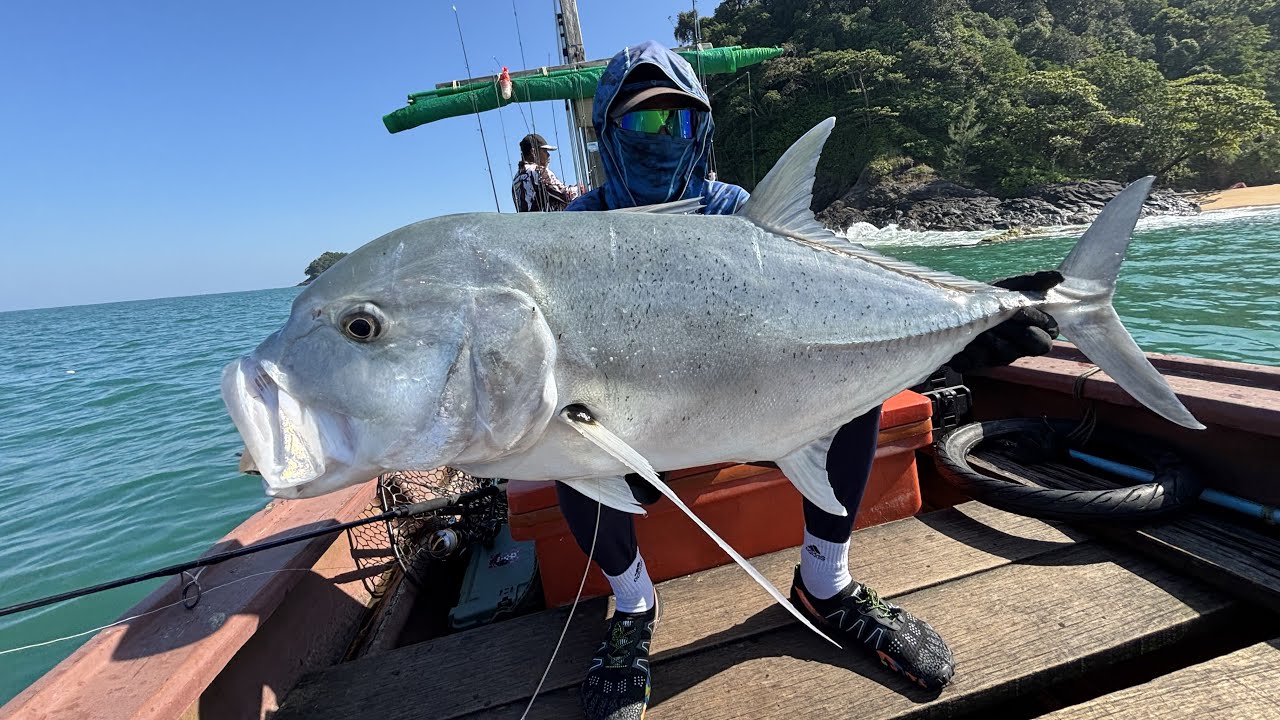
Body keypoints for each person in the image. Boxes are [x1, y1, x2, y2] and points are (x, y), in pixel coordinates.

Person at [559, 40, 1056, 720]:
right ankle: (634, 604)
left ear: (702, 126)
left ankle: (826, 582)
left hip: (750, 410)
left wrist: (956, 325)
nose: (663, 135)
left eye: (680, 118)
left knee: (852, 397)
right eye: (643, 120)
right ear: (608, 132)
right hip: (638, 432)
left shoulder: (736, 211)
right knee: (566, 445)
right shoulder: (575, 230)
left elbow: (826, 294)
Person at [511, 133, 580, 212]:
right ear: (533, 152)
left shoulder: (516, 178)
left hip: (526, 220)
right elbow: (566, 195)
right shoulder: (539, 171)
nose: (548, 155)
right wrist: (579, 189)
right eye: (545, 151)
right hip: (545, 219)